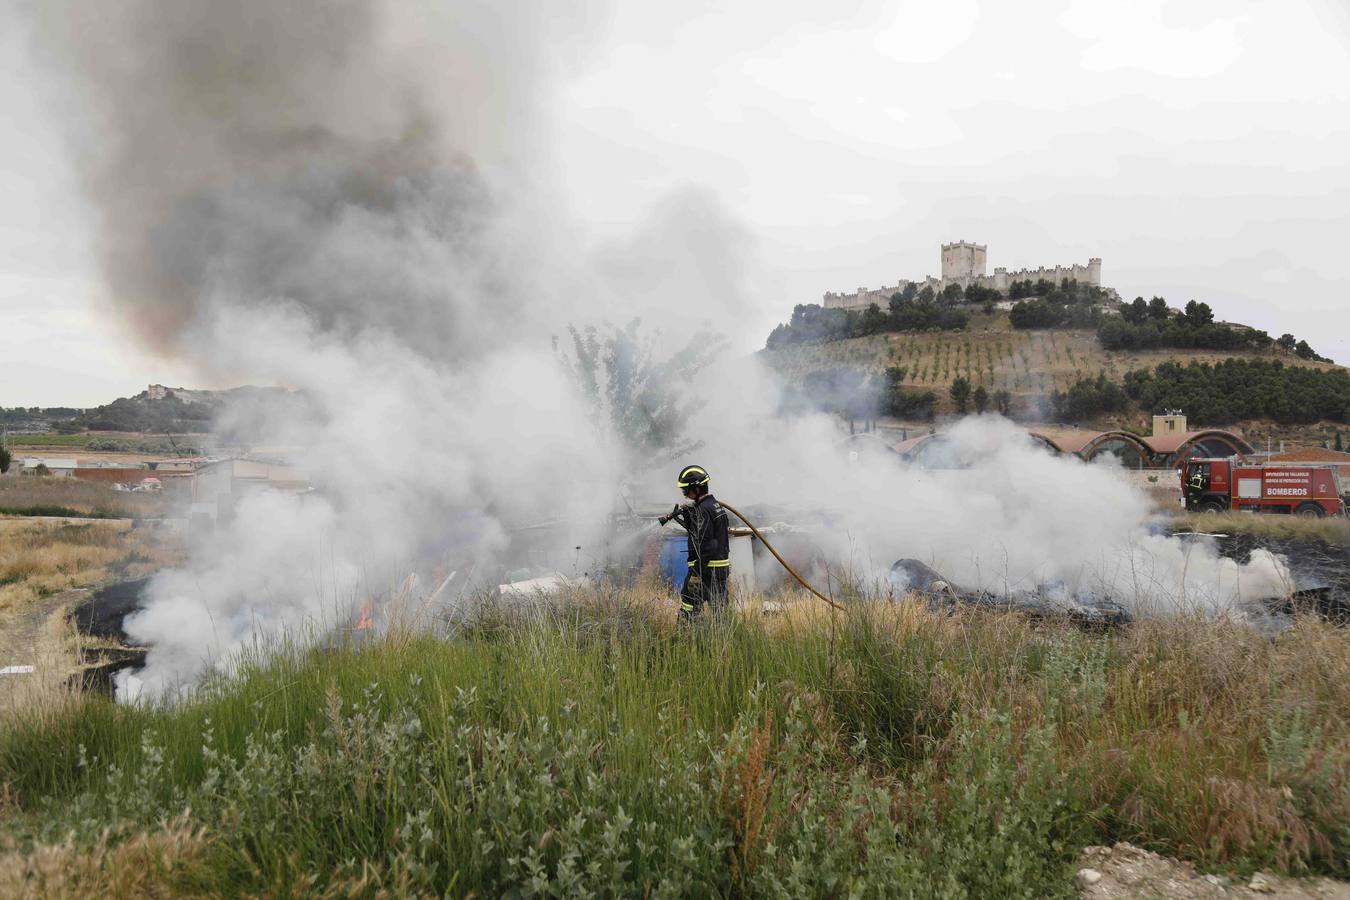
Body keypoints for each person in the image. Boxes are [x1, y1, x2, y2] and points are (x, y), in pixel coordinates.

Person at [659, 464, 730, 623]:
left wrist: (696, 574)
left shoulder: (703, 511)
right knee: (720, 612)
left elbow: (705, 545)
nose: (685, 494)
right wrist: (689, 519)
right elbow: (710, 536)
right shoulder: (715, 506)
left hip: (704, 570)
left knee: (689, 605)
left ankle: (687, 637)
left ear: (696, 488)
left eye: (686, 489)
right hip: (719, 570)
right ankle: (722, 640)